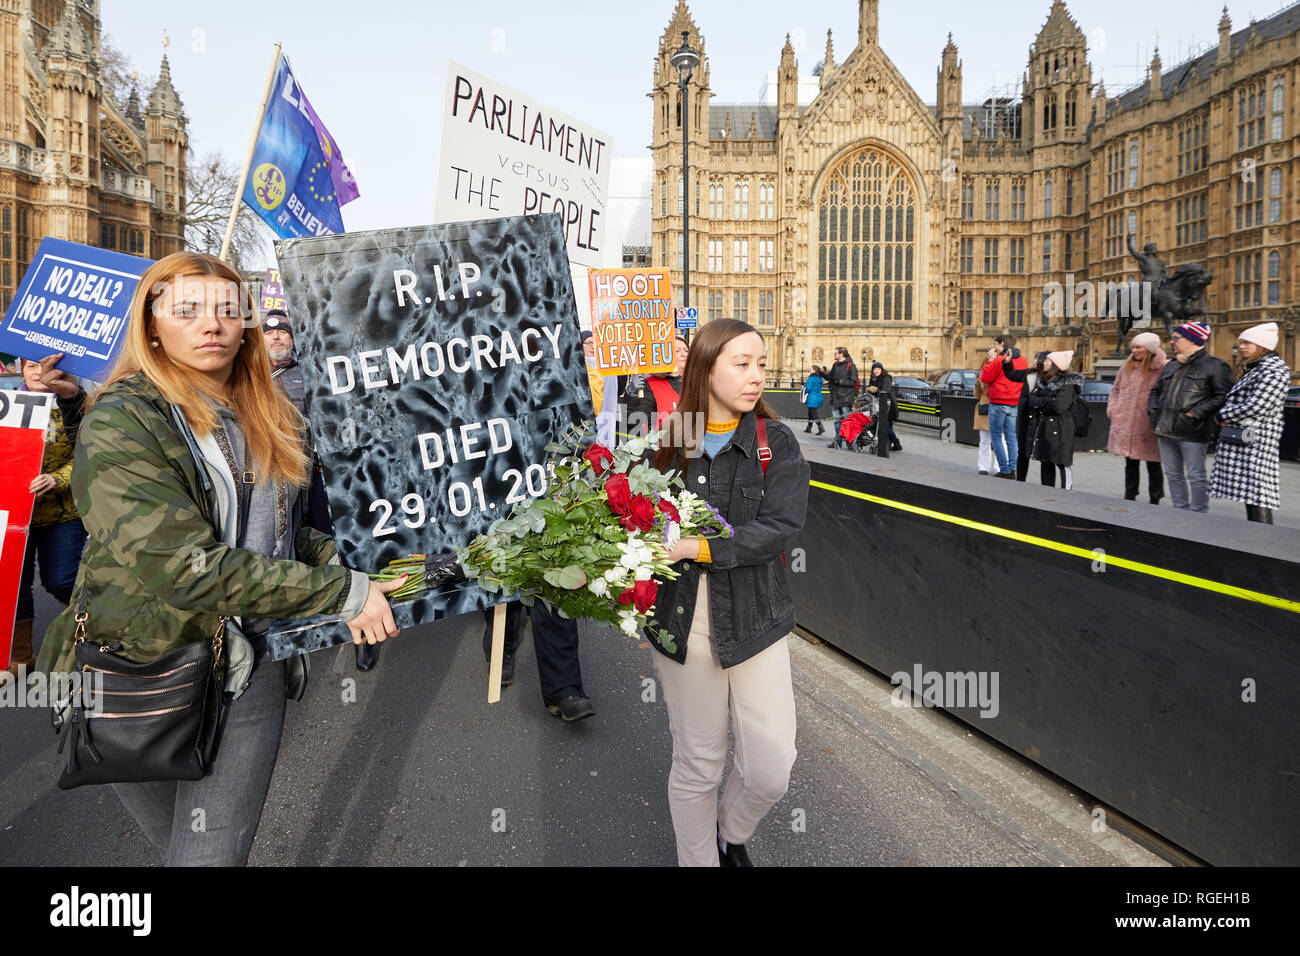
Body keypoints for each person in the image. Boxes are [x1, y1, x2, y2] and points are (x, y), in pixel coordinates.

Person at [33, 251, 406, 866]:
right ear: (152, 324)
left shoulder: (272, 414)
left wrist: (356, 564)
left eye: (230, 311)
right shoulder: (123, 419)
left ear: (247, 325)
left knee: (205, 856)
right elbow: (180, 567)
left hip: (243, 667)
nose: (213, 324)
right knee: (189, 850)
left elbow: (278, 536)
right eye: (188, 310)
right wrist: (340, 595)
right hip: (139, 671)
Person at [649, 319, 810, 866]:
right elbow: (636, 522)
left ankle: (730, 830)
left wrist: (697, 547)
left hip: (756, 617)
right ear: (706, 367)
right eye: (741, 364)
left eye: (761, 364)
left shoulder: (776, 441)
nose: (756, 376)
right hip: (683, 619)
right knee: (698, 763)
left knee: (771, 766)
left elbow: (782, 526)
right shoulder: (669, 439)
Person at [2, 357, 88, 682]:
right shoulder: (6, 406)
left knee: (62, 579)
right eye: (31, 367)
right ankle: (20, 659)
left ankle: (97, 625)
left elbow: (86, 454)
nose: (39, 373)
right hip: (15, 516)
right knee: (14, 587)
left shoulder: (75, 406)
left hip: (62, 514)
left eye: (45, 366)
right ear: (20, 371)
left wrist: (57, 479)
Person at [1148, 321, 1233, 513]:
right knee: (1172, 474)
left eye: (1177, 338)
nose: (1171, 342)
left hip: (1192, 430)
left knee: (1195, 475)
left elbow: (1223, 396)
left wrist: (1195, 413)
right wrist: (1153, 412)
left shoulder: (1215, 365)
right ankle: (1179, 511)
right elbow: (1155, 391)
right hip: (1165, 427)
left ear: (1193, 340)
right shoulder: (1171, 365)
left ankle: (1199, 514)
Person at [1210, 323, 1290, 524]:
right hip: (1248, 438)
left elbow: (1257, 406)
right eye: (1240, 342)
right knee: (1250, 492)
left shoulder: (1274, 371)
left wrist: (1223, 415)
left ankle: (1262, 538)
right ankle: (1257, 534)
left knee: (1258, 492)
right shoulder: (1258, 368)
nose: (1241, 347)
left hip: (1257, 440)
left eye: (1247, 343)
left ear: (1262, 346)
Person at [1106, 332, 1167, 504]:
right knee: (1130, 463)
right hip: (1126, 421)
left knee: (1153, 463)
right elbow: (1115, 390)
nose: (1134, 350)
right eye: (1133, 347)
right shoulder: (1126, 367)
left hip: (1148, 423)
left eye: (1138, 347)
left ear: (1150, 348)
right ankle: (1129, 495)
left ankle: (1155, 499)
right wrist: (1113, 410)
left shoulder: (1162, 367)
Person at [1019, 350, 1083, 489]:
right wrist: (1046, 401)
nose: (1045, 363)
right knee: (1045, 461)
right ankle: (1046, 492)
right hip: (1046, 426)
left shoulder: (1067, 384)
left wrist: (1041, 402)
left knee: (1062, 462)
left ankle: (1066, 492)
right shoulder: (1045, 382)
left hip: (1061, 428)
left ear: (1056, 365)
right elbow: (1033, 401)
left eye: (1048, 361)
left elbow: (1059, 406)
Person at [980, 334, 1028, 478]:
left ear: (1002, 344)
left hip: (998, 403)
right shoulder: (1023, 360)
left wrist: (989, 360)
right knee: (1011, 438)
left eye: (996, 344)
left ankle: (1005, 470)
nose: (995, 347)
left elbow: (985, 378)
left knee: (995, 438)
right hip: (1013, 402)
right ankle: (1013, 469)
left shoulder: (1000, 360)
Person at [623, 335, 687, 438]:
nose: (684, 354)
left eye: (686, 350)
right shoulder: (651, 385)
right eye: (677, 351)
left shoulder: (696, 382)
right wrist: (631, 395)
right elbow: (637, 423)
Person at [582, 330, 620, 448]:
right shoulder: (576, 368)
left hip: (607, 419)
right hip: (585, 422)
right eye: (587, 343)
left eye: (595, 343)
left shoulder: (608, 366)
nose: (592, 346)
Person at [823, 346, 859, 448]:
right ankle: (837, 442)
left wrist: (839, 382)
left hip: (846, 398)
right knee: (836, 422)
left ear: (841, 354)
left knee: (847, 422)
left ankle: (849, 442)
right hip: (835, 397)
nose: (834, 355)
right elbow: (830, 377)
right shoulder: (835, 365)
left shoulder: (851, 366)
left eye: (836, 353)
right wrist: (822, 373)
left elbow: (853, 381)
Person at [866, 360, 902, 451]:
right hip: (878, 406)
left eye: (878, 369)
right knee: (884, 427)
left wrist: (876, 389)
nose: (876, 371)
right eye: (874, 369)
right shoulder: (873, 378)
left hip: (889, 406)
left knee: (887, 428)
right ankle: (888, 445)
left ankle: (897, 443)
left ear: (881, 369)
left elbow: (884, 391)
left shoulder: (886, 378)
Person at [972, 376, 992, 474]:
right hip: (984, 409)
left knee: (1001, 441)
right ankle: (983, 466)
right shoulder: (983, 377)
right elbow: (977, 396)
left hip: (998, 409)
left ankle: (1000, 467)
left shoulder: (1001, 373)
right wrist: (977, 385)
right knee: (984, 441)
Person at [800, 365, 825, 435]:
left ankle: (821, 427)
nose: (809, 370)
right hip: (818, 397)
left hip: (812, 397)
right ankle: (809, 428)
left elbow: (808, 388)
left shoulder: (811, 378)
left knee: (813, 414)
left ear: (814, 370)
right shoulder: (819, 378)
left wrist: (803, 391)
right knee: (810, 413)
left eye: (811, 369)